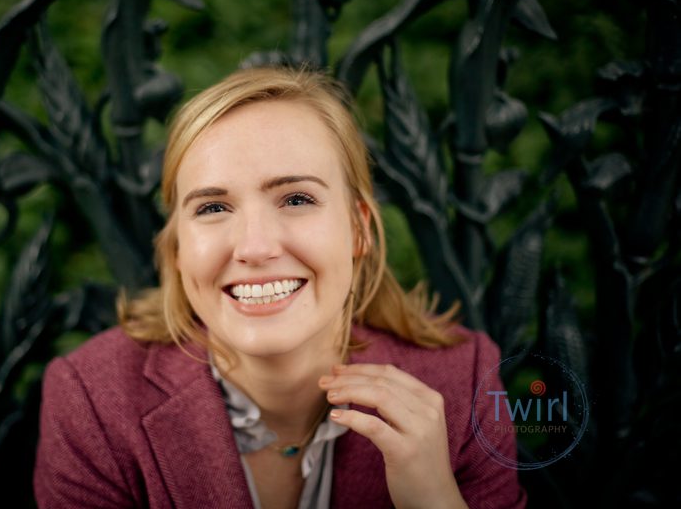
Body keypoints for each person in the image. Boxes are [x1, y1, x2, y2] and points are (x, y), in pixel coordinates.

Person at [34, 66, 526, 508]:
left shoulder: (465, 384)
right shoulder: (92, 400)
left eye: (295, 198)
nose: (254, 246)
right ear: (180, 248)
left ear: (358, 228)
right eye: (212, 208)